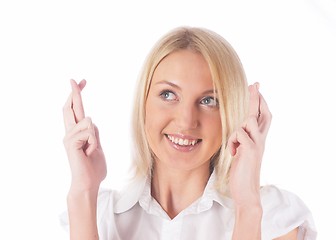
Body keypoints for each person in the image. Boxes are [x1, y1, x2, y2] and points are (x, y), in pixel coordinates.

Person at [61, 27, 316, 240]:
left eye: (209, 100)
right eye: (168, 95)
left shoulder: (272, 214)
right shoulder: (96, 214)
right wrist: (83, 190)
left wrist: (247, 207)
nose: (186, 121)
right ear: (143, 105)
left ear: (232, 113)